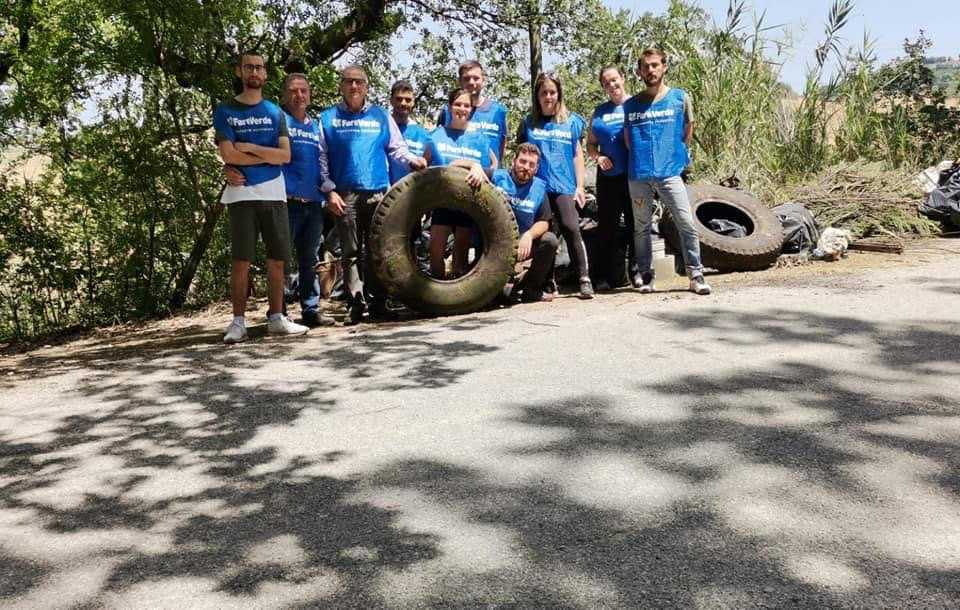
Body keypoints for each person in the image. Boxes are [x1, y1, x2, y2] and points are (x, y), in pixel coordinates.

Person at [319, 65, 427, 324]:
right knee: (351, 251)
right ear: (341, 86)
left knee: (377, 249)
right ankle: (355, 304)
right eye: (348, 82)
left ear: (366, 86)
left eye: (359, 82)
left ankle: (378, 304)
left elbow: (396, 148)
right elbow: (320, 156)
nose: (354, 86)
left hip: (378, 192)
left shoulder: (381, 116)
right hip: (345, 196)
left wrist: (414, 160)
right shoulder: (327, 118)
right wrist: (329, 189)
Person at [225, 72, 335, 328]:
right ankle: (279, 312)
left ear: (310, 95)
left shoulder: (315, 125)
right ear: (285, 94)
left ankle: (310, 310)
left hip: (313, 203)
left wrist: (328, 190)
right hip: (283, 201)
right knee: (279, 259)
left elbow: (322, 163)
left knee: (310, 258)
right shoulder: (277, 121)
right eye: (294, 91)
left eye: (304, 91)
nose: (299, 95)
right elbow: (251, 149)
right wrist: (229, 168)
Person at [213, 51, 308, 343]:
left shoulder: (274, 112)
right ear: (239, 72)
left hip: (273, 192)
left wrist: (249, 149)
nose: (254, 71)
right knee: (241, 260)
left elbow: (285, 155)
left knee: (277, 259)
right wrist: (260, 156)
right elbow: (227, 154)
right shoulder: (225, 110)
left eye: (259, 67)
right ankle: (238, 322)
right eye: (248, 67)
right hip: (240, 194)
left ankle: (277, 318)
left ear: (265, 75)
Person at [624, 48, 712, 295]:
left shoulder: (680, 98)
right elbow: (628, 140)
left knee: (686, 222)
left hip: (670, 173)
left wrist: (674, 156)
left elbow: (688, 131)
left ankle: (696, 275)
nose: (650, 70)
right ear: (639, 71)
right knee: (641, 227)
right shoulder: (631, 105)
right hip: (639, 175)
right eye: (645, 66)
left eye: (654, 65)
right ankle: (647, 275)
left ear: (664, 67)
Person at [517, 72, 595, 299]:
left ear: (559, 94)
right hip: (538, 188)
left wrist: (580, 186)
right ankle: (547, 282)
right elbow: (522, 154)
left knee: (571, 227)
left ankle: (584, 278)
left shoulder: (571, 121)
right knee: (548, 235)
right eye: (544, 93)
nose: (548, 97)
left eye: (552, 92)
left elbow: (577, 156)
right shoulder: (528, 123)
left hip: (564, 186)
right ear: (537, 96)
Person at [427, 87, 497, 279]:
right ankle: (435, 298)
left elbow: (488, 170)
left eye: (466, 105)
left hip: (467, 203)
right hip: (441, 201)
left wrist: (476, 166)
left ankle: (457, 301)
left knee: (460, 261)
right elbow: (426, 167)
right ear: (449, 107)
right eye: (458, 104)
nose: (462, 108)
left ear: (471, 110)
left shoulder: (480, 140)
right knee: (436, 254)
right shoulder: (435, 135)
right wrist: (468, 163)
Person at [476, 143, 558, 303]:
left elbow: (544, 222)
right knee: (499, 298)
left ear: (536, 168)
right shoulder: (496, 176)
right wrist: (474, 167)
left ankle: (532, 289)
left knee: (550, 240)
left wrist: (528, 235)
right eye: (523, 161)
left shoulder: (539, 188)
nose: (526, 167)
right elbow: (455, 167)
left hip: (523, 244)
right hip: (493, 244)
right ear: (513, 161)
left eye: (531, 164)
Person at [587, 65, 636, 291]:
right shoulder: (599, 112)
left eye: (614, 80)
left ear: (623, 79)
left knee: (638, 224)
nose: (612, 85)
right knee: (607, 227)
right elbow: (590, 144)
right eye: (606, 83)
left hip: (634, 175)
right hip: (608, 177)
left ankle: (638, 272)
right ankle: (601, 277)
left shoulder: (637, 104)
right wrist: (597, 157)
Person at [438, 60, 509, 164]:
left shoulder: (498, 111)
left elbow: (502, 146)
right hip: (453, 174)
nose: (471, 82)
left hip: (487, 176)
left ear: (483, 79)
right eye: (466, 79)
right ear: (460, 81)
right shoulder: (447, 111)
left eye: (476, 78)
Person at [388, 80, 432, 185]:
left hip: (411, 193)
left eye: (408, 100)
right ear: (391, 101)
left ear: (413, 102)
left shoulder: (423, 134)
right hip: (383, 192)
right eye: (399, 99)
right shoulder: (382, 127)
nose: (403, 103)